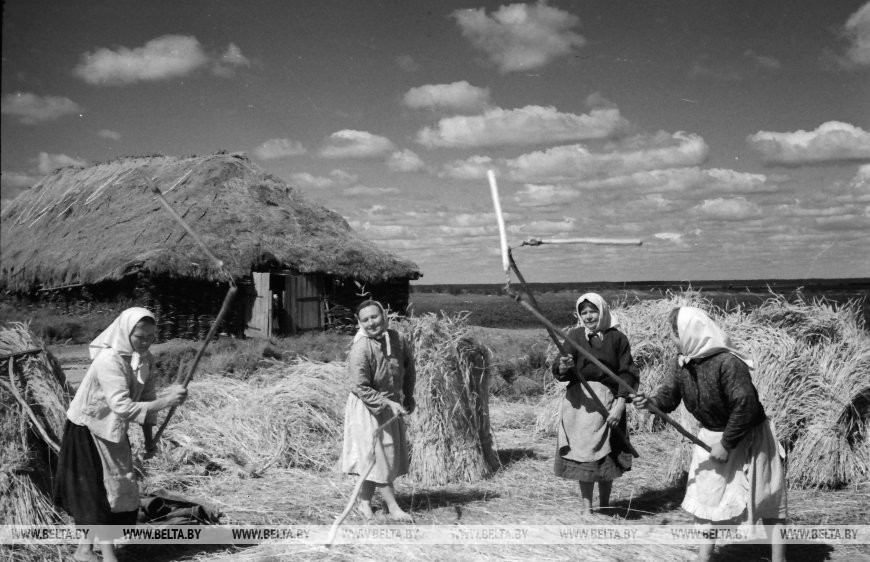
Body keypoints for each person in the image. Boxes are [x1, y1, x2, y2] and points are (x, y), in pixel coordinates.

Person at [631, 306, 787, 562]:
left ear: (691, 333)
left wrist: (727, 443)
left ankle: (780, 559)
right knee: (707, 499)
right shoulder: (682, 362)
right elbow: (669, 397)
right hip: (710, 437)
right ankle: (705, 558)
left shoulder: (728, 363)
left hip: (749, 437)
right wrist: (651, 402)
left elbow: (745, 405)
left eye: (675, 333)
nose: (672, 339)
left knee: (766, 499)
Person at [53, 308, 187, 562]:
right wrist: (168, 400)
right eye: (140, 336)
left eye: (150, 336)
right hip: (87, 429)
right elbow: (123, 407)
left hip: (113, 429)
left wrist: (149, 442)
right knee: (100, 494)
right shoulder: (109, 361)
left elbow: (147, 401)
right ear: (126, 332)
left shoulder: (145, 359)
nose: (145, 342)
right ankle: (108, 555)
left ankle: (84, 551)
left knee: (119, 488)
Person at [552, 293, 638, 514]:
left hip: (608, 403)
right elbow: (561, 369)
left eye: (593, 311)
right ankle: (587, 508)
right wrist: (563, 365)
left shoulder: (617, 338)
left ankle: (606, 504)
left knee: (606, 456)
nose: (588, 316)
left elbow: (627, 374)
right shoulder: (575, 336)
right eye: (584, 312)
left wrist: (620, 405)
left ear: (603, 311)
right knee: (584, 456)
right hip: (580, 405)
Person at [340, 300, 416, 521]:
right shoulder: (361, 347)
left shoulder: (397, 338)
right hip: (367, 408)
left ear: (384, 315)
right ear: (360, 323)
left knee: (374, 457)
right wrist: (386, 403)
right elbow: (359, 385)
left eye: (375, 317)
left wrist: (408, 395)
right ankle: (392, 507)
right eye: (365, 319)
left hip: (390, 404)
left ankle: (364, 504)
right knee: (378, 457)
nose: (371, 323)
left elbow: (408, 368)